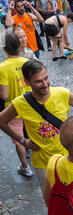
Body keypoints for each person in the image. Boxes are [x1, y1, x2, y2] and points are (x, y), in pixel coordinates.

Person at [0, 59, 73, 193]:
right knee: (53, 201)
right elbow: (2, 120)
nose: (45, 84)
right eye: (38, 81)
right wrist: (22, 140)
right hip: (43, 164)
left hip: (69, 157)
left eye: (46, 78)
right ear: (27, 82)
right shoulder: (20, 103)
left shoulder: (62, 93)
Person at [0, 32, 32, 177]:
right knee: (32, 131)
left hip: (13, 110)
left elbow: (4, 95)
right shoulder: (27, 62)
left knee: (19, 139)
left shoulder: (3, 68)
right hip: (30, 105)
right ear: (19, 46)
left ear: (4, 49)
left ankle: (25, 167)